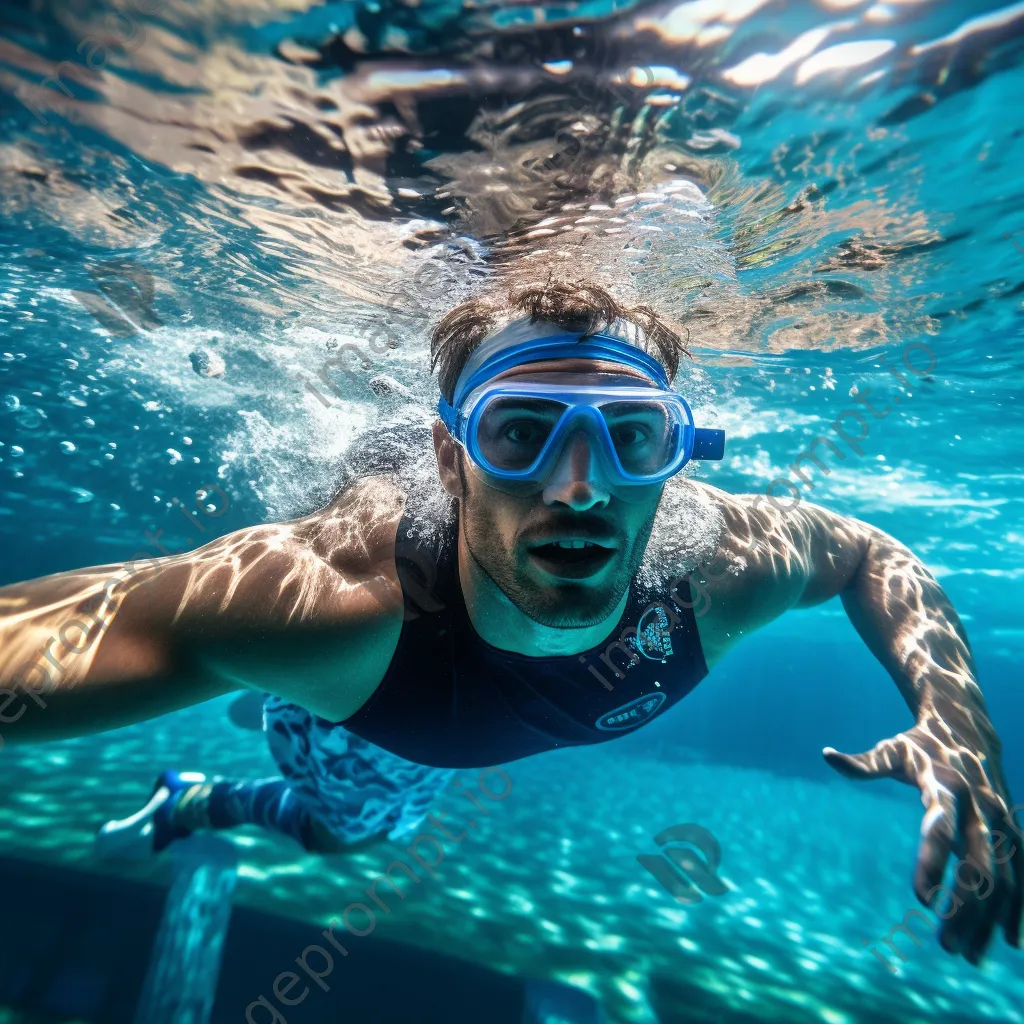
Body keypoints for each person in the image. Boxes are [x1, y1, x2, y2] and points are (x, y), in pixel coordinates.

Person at [0, 280, 1019, 966]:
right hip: (366, 706)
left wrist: (958, 725)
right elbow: (75, 628)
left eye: (632, 438)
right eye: (522, 433)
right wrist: (256, 648)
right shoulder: (335, 601)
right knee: (345, 824)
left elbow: (872, 551)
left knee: (349, 816)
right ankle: (208, 784)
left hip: (427, 702)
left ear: (676, 457)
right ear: (450, 460)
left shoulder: (719, 571)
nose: (579, 488)